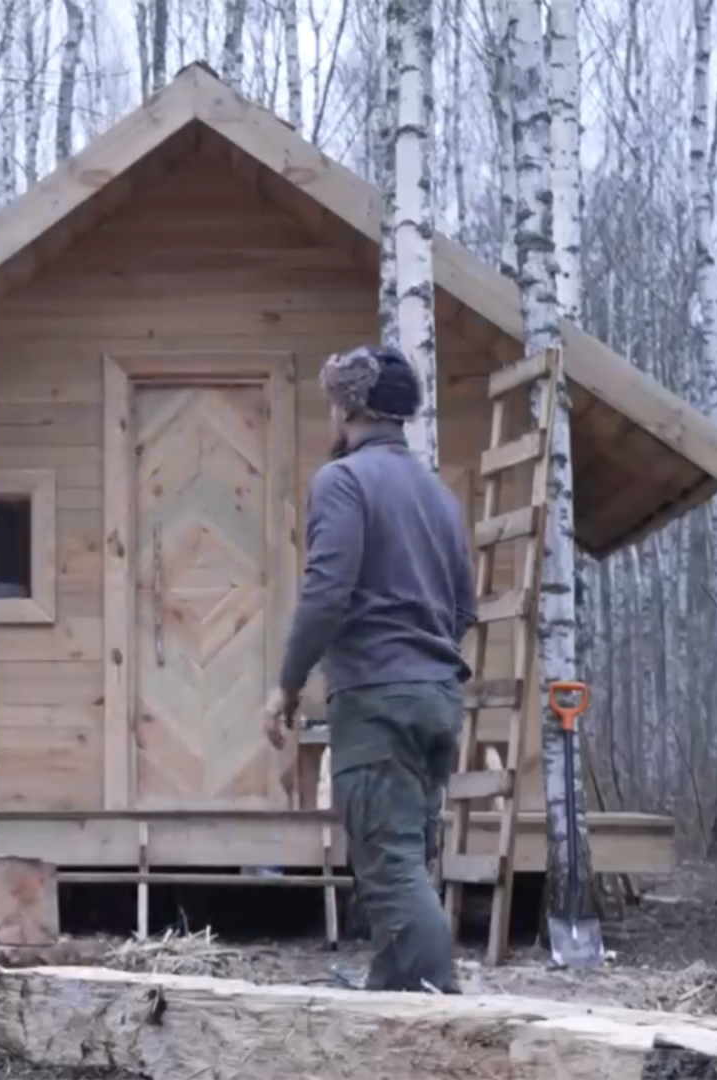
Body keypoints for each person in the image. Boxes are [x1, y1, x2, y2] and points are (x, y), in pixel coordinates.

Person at [261, 345, 476, 994]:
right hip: (437, 698)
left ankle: (440, 1018)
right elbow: (464, 605)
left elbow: (327, 593)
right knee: (405, 860)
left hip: (378, 702)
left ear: (347, 406)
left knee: (389, 867)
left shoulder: (343, 481)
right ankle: (391, 995)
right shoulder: (438, 494)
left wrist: (286, 686)